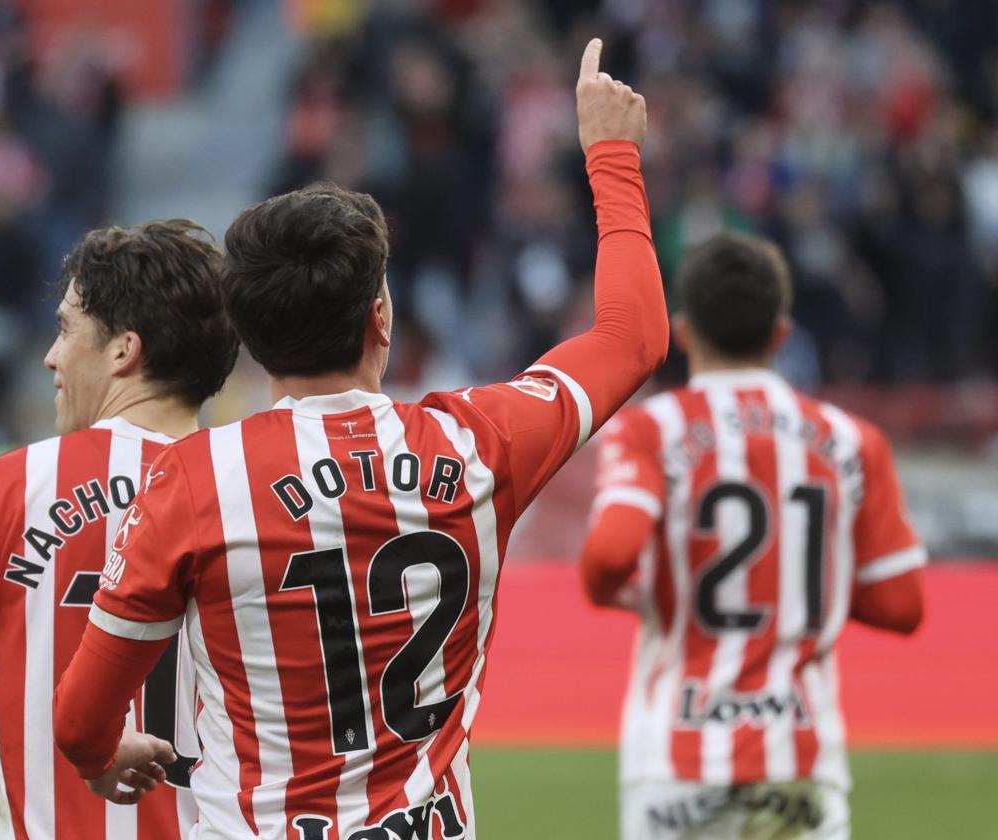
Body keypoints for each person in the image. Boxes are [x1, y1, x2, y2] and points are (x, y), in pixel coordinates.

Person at [52, 38, 668, 839]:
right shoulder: (477, 444)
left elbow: (77, 720)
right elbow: (633, 338)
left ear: (246, 333)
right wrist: (612, 155)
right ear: (381, 319)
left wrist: (104, 754)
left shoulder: (198, 480)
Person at [0, 220, 240, 840]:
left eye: (67, 329)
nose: (50, 355)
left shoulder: (8, 489)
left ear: (124, 350)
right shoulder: (256, 495)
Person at [579, 231, 926, 839]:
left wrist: (632, 593)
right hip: (800, 757)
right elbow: (902, 605)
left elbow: (609, 555)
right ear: (782, 334)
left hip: (675, 758)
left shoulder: (651, 431)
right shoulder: (851, 439)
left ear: (684, 333)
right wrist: (799, 584)